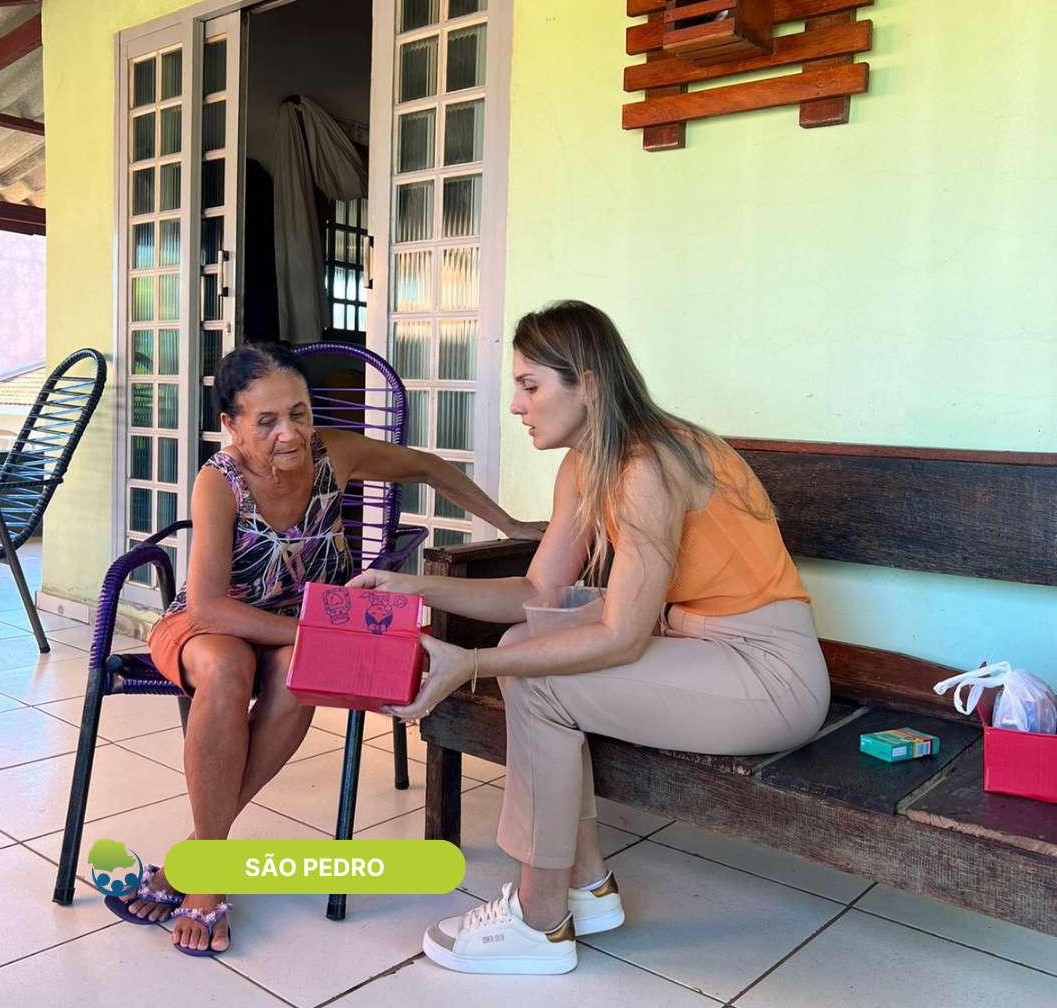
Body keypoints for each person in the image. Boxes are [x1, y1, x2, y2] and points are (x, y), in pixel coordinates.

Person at [350, 301, 831, 975]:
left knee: (533, 675)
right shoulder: (584, 466)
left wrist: (471, 663)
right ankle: (588, 888)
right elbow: (537, 591)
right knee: (523, 646)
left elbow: (622, 638)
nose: (516, 405)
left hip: (766, 673)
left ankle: (539, 919)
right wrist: (412, 588)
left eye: (530, 386)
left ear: (590, 385)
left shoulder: (648, 465)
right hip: (697, 651)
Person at [105, 342, 543, 956]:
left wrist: (511, 526)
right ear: (231, 425)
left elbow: (426, 467)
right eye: (266, 421)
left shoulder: (331, 454)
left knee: (298, 671)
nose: (289, 433)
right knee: (229, 666)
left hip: (300, 630)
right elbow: (206, 609)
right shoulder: (219, 481)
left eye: (299, 413)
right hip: (213, 628)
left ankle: (198, 859)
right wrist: (319, 630)